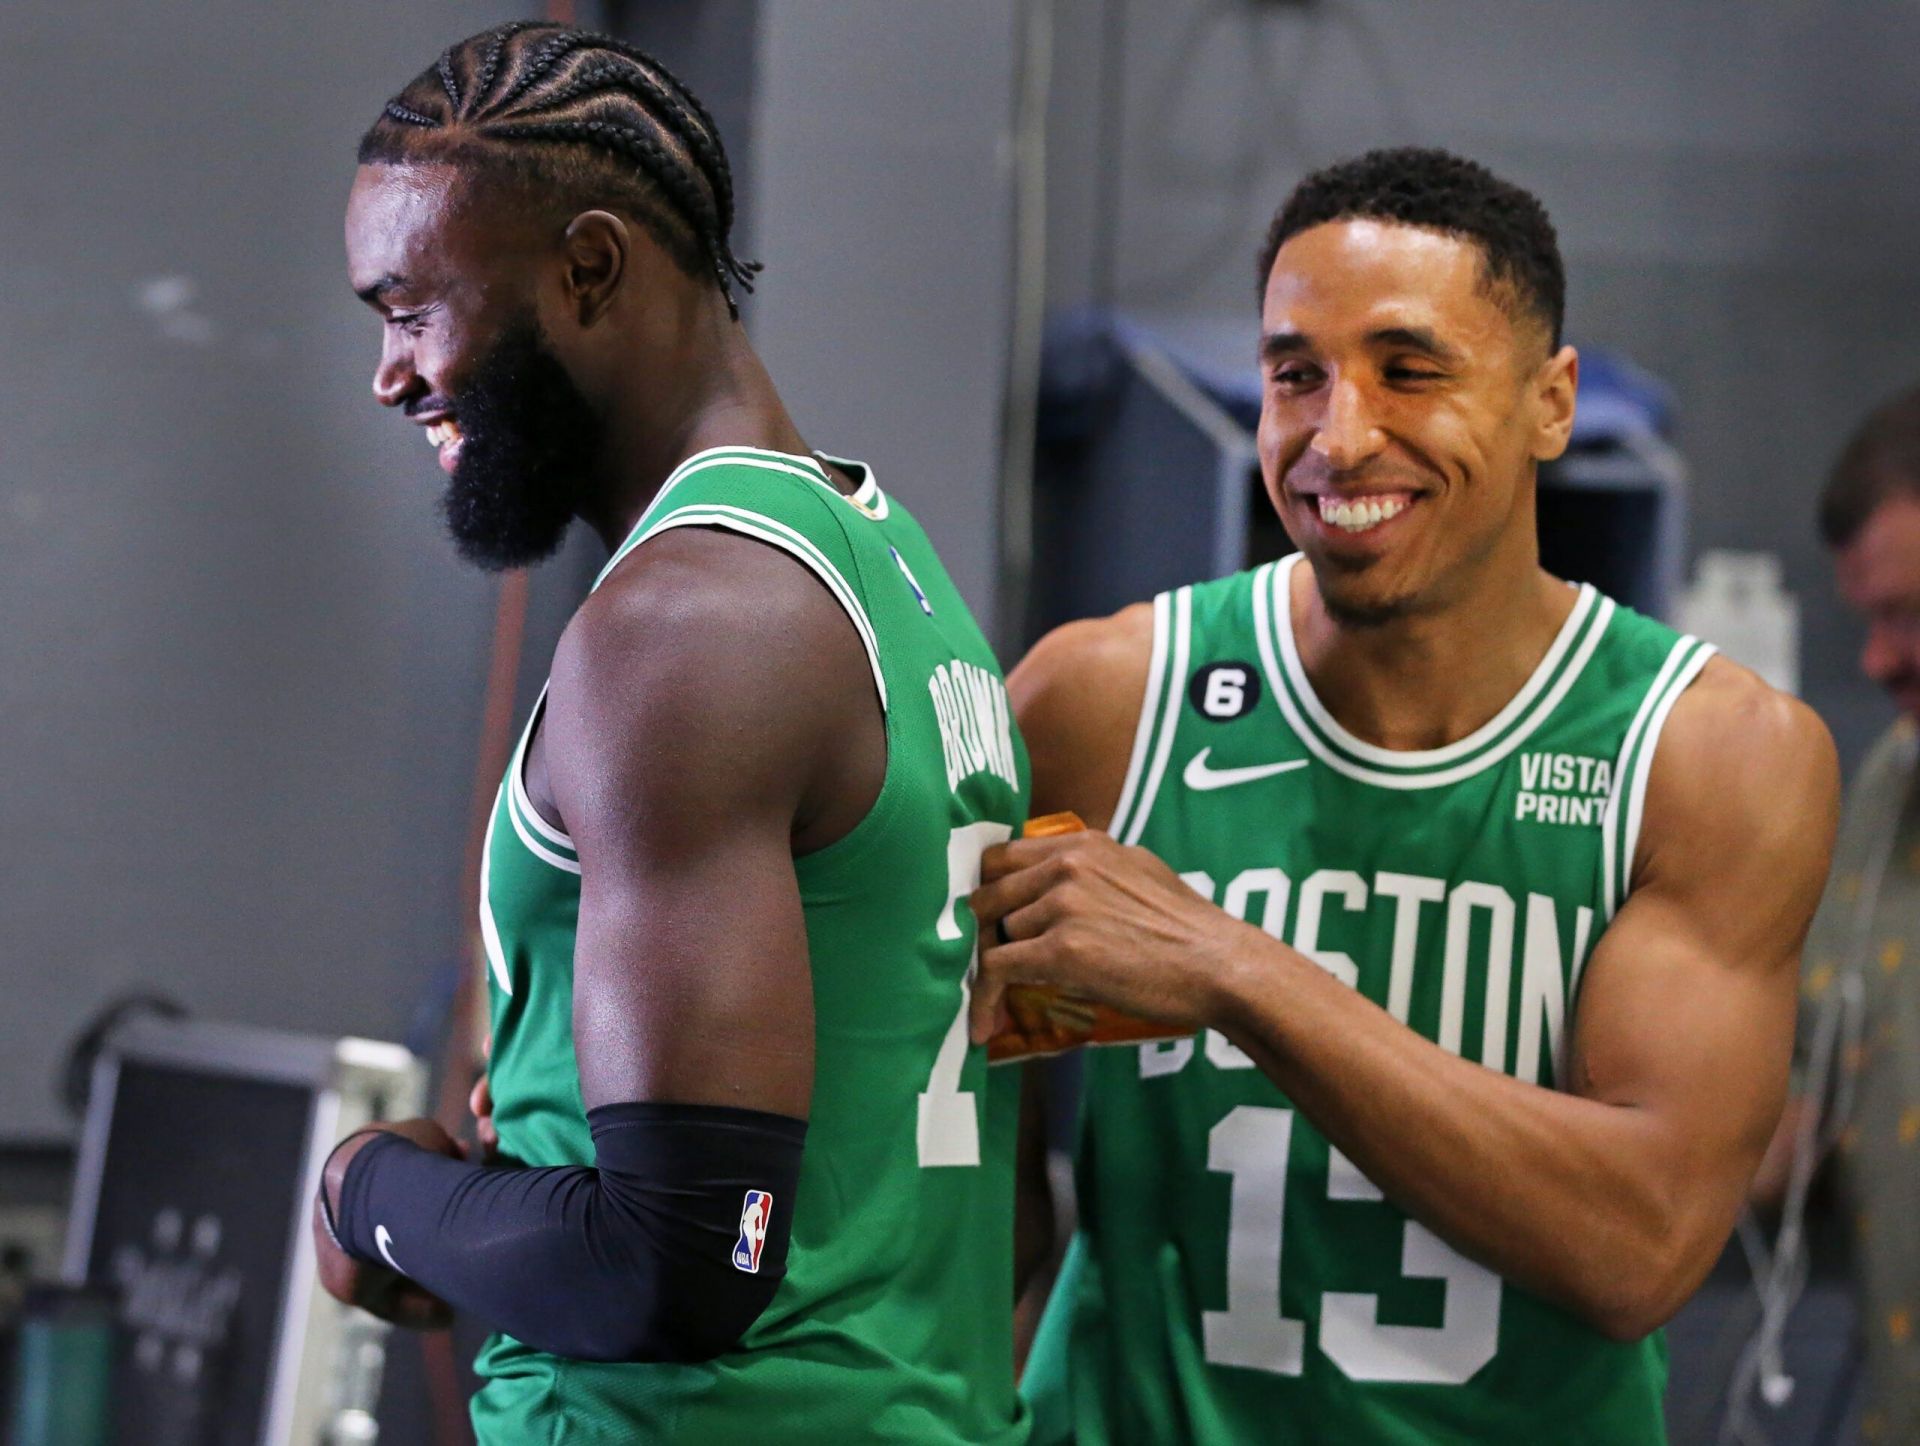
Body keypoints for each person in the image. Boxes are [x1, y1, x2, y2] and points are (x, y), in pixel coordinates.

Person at [972, 148, 1838, 1442]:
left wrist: (1237, 969)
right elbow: (982, 1205)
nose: (1339, 434)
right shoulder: (1102, 708)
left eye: (1409, 369)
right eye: (1294, 375)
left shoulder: (1710, 754)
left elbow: (1639, 1243)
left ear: (1553, 403)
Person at [309, 23, 1031, 1444]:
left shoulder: (681, 630)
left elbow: (684, 1259)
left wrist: (370, 1193)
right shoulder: (890, 564)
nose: (389, 375)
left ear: (589, 269)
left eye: (409, 309)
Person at [1747, 384, 1920, 1442]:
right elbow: (1802, 1110)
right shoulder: (1890, 782)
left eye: (1912, 613)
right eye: (1873, 617)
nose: (1877, 661)